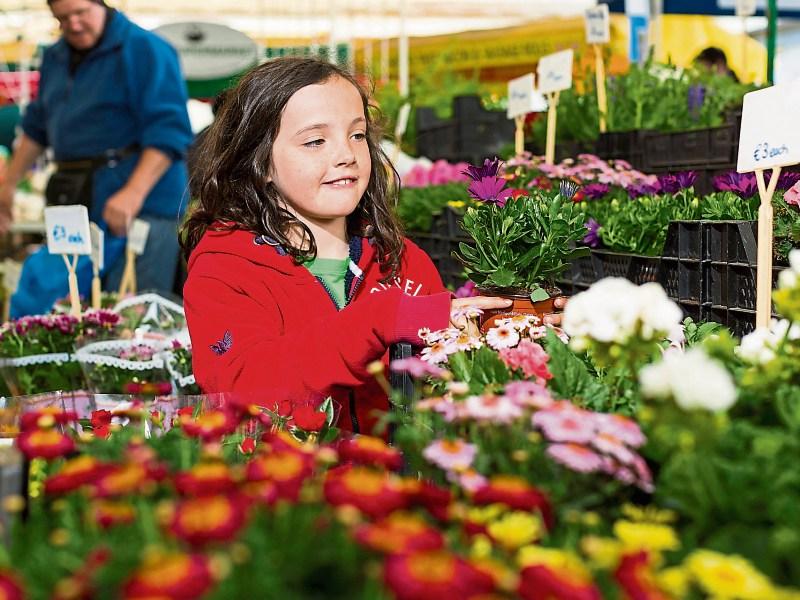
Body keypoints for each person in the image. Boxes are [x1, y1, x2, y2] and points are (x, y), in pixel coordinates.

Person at [182, 58, 564, 434]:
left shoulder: (402, 261)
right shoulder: (225, 270)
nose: (346, 155)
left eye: (357, 134)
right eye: (315, 141)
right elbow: (244, 390)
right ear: (260, 161)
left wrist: (503, 328)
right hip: (292, 489)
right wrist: (381, 321)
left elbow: (443, 378)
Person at [0, 0, 193, 316]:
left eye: (81, 13)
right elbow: (36, 126)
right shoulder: (55, 56)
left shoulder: (146, 49)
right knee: (71, 307)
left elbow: (169, 131)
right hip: (79, 199)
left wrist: (133, 193)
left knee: (130, 313)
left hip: (142, 205)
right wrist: (8, 185)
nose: (74, 24)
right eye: (62, 18)